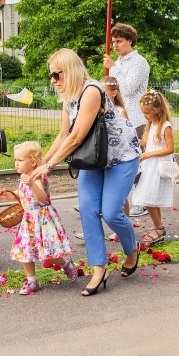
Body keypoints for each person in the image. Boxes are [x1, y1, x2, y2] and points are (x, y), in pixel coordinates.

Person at [31, 49, 141, 296]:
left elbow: (77, 136)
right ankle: (99, 269)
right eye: (51, 76)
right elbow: (63, 135)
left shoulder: (91, 91)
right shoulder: (68, 97)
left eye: (56, 75)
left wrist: (49, 166)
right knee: (89, 210)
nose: (53, 81)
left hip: (121, 157)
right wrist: (42, 163)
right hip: (93, 160)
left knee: (112, 213)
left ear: (69, 71)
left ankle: (132, 248)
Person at [0, 141, 77, 295]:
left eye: (20, 160)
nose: (16, 163)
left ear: (33, 162)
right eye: (15, 160)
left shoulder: (37, 177)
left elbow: (42, 197)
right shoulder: (24, 177)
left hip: (42, 220)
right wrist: (7, 196)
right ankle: (32, 280)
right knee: (25, 251)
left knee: (49, 254)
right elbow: (22, 195)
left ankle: (65, 263)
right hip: (28, 221)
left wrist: (32, 183)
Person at [72, 75, 127, 239]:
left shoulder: (119, 111)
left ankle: (119, 227)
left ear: (114, 93)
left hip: (116, 157)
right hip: (98, 157)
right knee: (91, 203)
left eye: (105, 92)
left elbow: (122, 133)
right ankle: (94, 230)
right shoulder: (84, 103)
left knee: (115, 202)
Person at [105, 23, 150, 217]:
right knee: (124, 161)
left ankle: (143, 202)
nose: (115, 45)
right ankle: (121, 200)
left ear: (129, 41)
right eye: (113, 41)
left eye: (119, 41)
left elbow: (128, 88)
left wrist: (113, 69)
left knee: (138, 162)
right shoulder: (119, 62)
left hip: (137, 119)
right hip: (121, 120)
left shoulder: (139, 62)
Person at [132, 90, 175, 247]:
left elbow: (170, 149)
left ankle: (158, 227)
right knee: (150, 198)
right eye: (143, 112)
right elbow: (149, 142)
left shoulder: (166, 126)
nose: (145, 116)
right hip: (149, 166)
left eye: (147, 112)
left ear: (157, 109)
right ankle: (158, 226)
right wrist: (141, 143)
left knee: (149, 198)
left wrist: (150, 154)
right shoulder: (150, 125)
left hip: (158, 167)